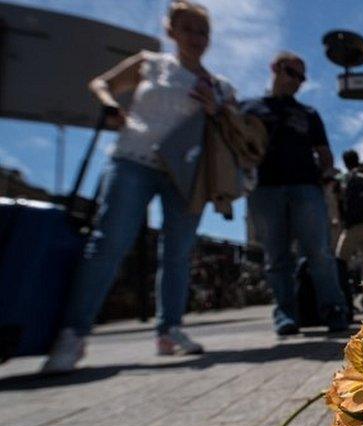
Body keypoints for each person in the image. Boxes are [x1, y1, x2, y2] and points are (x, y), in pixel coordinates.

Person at [43, 1, 230, 372]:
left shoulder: (216, 84)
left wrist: (216, 109)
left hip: (185, 173)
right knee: (109, 242)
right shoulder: (150, 63)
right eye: (188, 29)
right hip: (133, 159)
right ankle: (73, 334)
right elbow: (102, 82)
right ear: (171, 31)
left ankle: (170, 329)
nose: (196, 38)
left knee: (178, 252)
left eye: (202, 31)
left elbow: (232, 132)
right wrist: (111, 104)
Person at [241, 52, 349, 336]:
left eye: (302, 77)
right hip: (263, 189)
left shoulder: (308, 114)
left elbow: (324, 153)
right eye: (292, 73)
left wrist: (326, 174)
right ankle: (285, 314)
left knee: (319, 252)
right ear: (275, 68)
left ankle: (334, 309)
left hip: (306, 187)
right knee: (276, 257)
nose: (298, 81)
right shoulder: (249, 108)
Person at [335, 155, 363, 311]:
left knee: (340, 261)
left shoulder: (346, 177)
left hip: (352, 226)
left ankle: (345, 298)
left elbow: (340, 199)